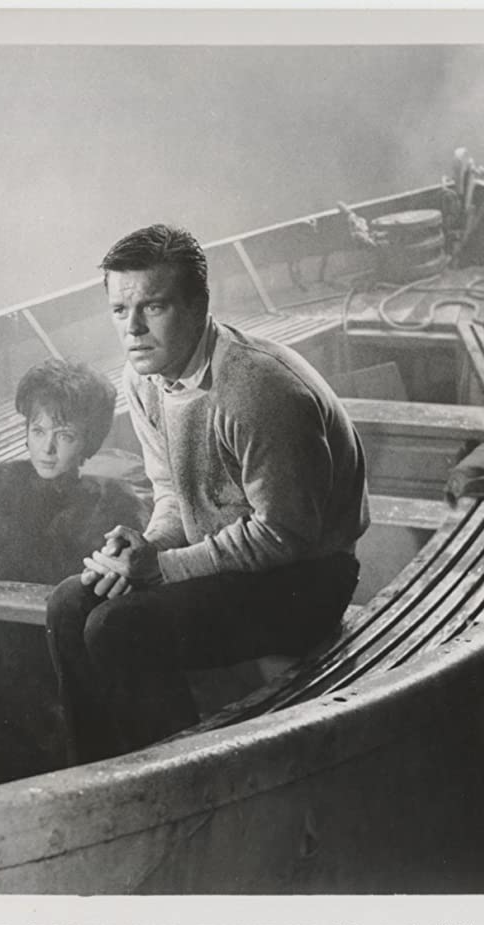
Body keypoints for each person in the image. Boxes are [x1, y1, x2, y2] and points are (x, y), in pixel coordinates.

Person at [46, 224, 370, 764]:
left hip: (309, 577)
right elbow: (171, 491)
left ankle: (183, 775)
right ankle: (96, 772)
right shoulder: (143, 378)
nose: (133, 329)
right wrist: (144, 549)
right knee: (68, 605)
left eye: (154, 307)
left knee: (118, 628)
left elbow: (286, 534)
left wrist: (161, 569)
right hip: (234, 562)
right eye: (120, 310)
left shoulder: (257, 389)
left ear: (198, 306)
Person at [0, 359, 149, 793]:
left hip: (55, 658)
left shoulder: (110, 509)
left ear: (89, 443)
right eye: (38, 432)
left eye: (65, 436)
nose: (48, 449)